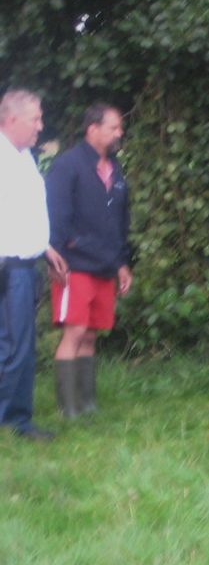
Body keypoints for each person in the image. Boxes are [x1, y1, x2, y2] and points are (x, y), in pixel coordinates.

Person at [44, 103, 133, 420]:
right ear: (92, 129)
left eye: (119, 128)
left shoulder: (116, 169)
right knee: (75, 331)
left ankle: (87, 403)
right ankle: (67, 409)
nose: (119, 133)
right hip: (74, 264)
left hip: (105, 265)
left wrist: (122, 262)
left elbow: (121, 220)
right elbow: (55, 214)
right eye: (113, 127)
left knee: (92, 333)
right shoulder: (68, 165)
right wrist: (54, 255)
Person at [0, 89, 67, 440]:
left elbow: (21, 215)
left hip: (26, 264)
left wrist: (45, 248)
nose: (41, 126)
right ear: (11, 120)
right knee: (17, 347)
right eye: (35, 119)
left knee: (12, 344)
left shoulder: (24, 155)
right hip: (9, 270)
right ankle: (15, 421)